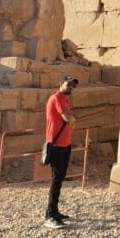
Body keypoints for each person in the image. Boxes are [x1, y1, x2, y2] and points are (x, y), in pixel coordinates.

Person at [43, 75, 77, 229]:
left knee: (60, 177)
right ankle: (50, 215)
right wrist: (73, 119)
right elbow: (68, 119)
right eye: (68, 84)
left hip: (65, 143)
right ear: (60, 84)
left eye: (72, 86)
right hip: (57, 145)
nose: (70, 87)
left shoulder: (65, 99)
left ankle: (54, 211)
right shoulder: (58, 98)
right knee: (56, 179)